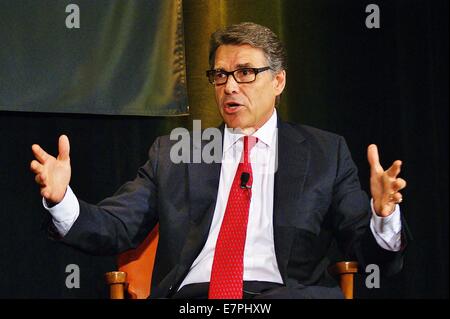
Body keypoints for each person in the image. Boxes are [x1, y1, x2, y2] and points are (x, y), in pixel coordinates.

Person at [30, 22, 407, 299]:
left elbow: (365, 247)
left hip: (283, 294)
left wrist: (383, 216)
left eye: (245, 73)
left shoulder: (325, 153)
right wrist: (63, 201)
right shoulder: (176, 153)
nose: (229, 86)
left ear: (278, 82)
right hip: (197, 299)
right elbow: (117, 226)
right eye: (220, 75)